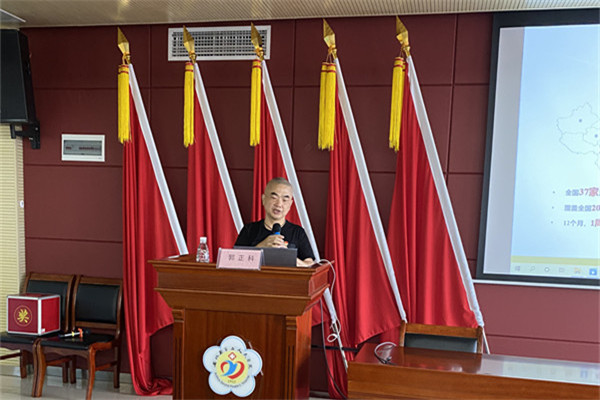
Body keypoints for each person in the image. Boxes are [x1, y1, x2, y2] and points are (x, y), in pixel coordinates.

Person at [235, 177, 315, 266]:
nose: (279, 204)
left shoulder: (297, 232)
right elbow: (235, 261)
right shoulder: (249, 230)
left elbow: (309, 264)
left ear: (290, 204)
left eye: (285, 200)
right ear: (263, 199)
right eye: (274, 197)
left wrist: (287, 255)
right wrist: (261, 247)